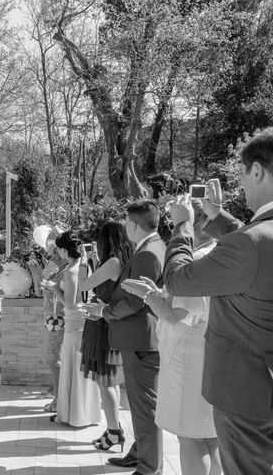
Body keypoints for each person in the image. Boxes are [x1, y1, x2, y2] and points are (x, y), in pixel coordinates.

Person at [164, 130, 273, 475]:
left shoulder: (249, 244)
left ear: (256, 171)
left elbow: (179, 278)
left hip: (247, 393)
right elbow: (255, 247)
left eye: (242, 174)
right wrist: (217, 217)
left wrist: (182, 225)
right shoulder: (256, 239)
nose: (241, 184)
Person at [122, 199, 221, 475]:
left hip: (188, 358)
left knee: (190, 438)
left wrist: (149, 297)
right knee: (211, 437)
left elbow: (177, 314)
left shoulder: (199, 258)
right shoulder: (220, 251)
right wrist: (160, 293)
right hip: (208, 353)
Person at [84, 200, 166, 475]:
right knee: (140, 404)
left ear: (132, 224)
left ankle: (149, 467)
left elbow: (135, 301)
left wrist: (104, 311)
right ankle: (139, 452)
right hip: (137, 338)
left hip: (141, 340)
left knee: (145, 408)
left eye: (126, 221)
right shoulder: (148, 248)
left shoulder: (147, 254)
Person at [78, 220, 133, 452]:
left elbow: (84, 284)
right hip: (108, 322)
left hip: (103, 326)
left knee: (105, 382)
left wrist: (83, 262)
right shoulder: (123, 259)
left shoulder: (112, 262)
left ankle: (113, 432)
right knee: (108, 381)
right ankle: (114, 428)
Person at [50, 230, 101, 427]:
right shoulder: (82, 265)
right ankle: (84, 412)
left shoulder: (72, 270)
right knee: (80, 366)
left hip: (75, 322)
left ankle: (75, 414)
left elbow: (69, 303)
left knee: (73, 364)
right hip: (82, 319)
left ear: (64, 250)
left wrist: (54, 288)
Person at [28, 229, 67, 413]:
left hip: (61, 317)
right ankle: (57, 397)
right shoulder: (52, 266)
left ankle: (60, 400)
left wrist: (40, 275)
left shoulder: (68, 269)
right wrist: (36, 274)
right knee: (53, 358)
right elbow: (39, 291)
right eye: (51, 254)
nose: (53, 258)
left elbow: (60, 292)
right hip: (50, 316)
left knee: (55, 359)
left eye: (56, 253)